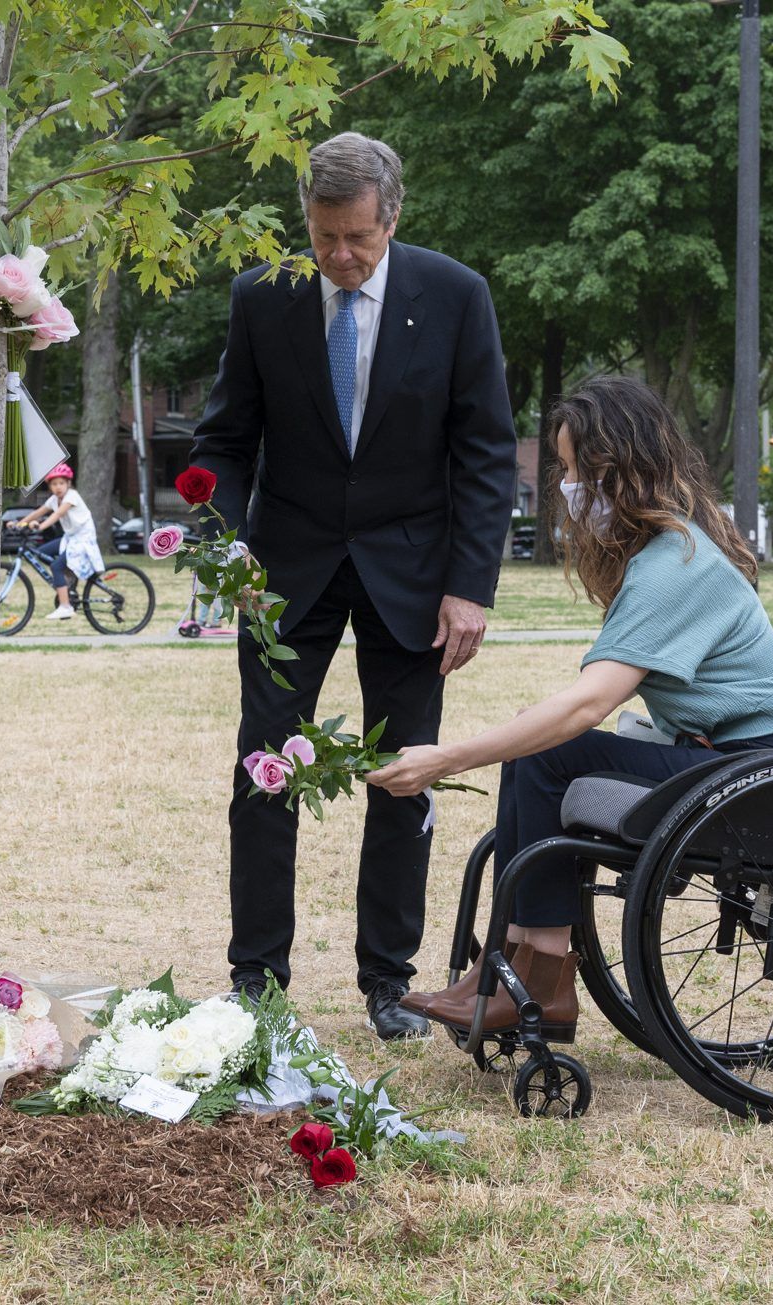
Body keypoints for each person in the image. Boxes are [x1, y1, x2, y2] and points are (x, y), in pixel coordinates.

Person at [366, 376, 773, 1040]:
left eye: (578, 470)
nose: (570, 487)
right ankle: (516, 961)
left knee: (549, 746)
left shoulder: (673, 567)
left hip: (761, 779)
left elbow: (588, 705)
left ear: (620, 471)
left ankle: (542, 975)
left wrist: (445, 758)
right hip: (730, 757)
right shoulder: (670, 550)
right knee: (536, 749)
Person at [189, 131, 517, 1040]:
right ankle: (256, 975)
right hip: (284, 575)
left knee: (403, 776)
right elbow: (225, 438)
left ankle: (389, 979)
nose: (337, 257)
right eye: (323, 235)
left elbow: (485, 453)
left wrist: (470, 586)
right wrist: (227, 548)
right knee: (265, 771)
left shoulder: (456, 296)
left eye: (357, 240)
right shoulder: (263, 297)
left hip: (413, 575)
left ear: (393, 217)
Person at [14, 463, 104, 620]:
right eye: (54, 484)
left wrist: (40, 527)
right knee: (41, 552)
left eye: (62, 483)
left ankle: (66, 607)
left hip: (83, 540)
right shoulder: (54, 500)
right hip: (70, 539)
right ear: (50, 486)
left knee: (56, 566)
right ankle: (67, 578)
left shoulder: (72, 496)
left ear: (68, 484)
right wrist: (19, 523)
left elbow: (57, 515)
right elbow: (38, 512)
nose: (58, 487)